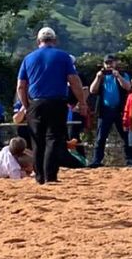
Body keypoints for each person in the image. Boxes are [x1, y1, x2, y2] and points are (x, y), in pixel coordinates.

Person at [15, 25, 89, 186]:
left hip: (36, 103)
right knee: (53, 139)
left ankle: (39, 176)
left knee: (37, 141)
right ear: (54, 40)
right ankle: (50, 176)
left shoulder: (28, 58)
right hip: (57, 102)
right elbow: (74, 81)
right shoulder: (63, 57)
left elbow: (21, 86)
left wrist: (26, 106)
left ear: (38, 41)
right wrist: (82, 102)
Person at [88, 54, 132, 167]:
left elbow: (128, 87)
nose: (109, 65)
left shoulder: (123, 74)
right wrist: (98, 78)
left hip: (120, 110)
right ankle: (97, 160)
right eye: (107, 63)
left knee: (126, 135)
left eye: (111, 62)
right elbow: (92, 90)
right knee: (101, 137)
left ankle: (130, 159)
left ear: (115, 63)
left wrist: (118, 76)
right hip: (105, 111)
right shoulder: (101, 76)